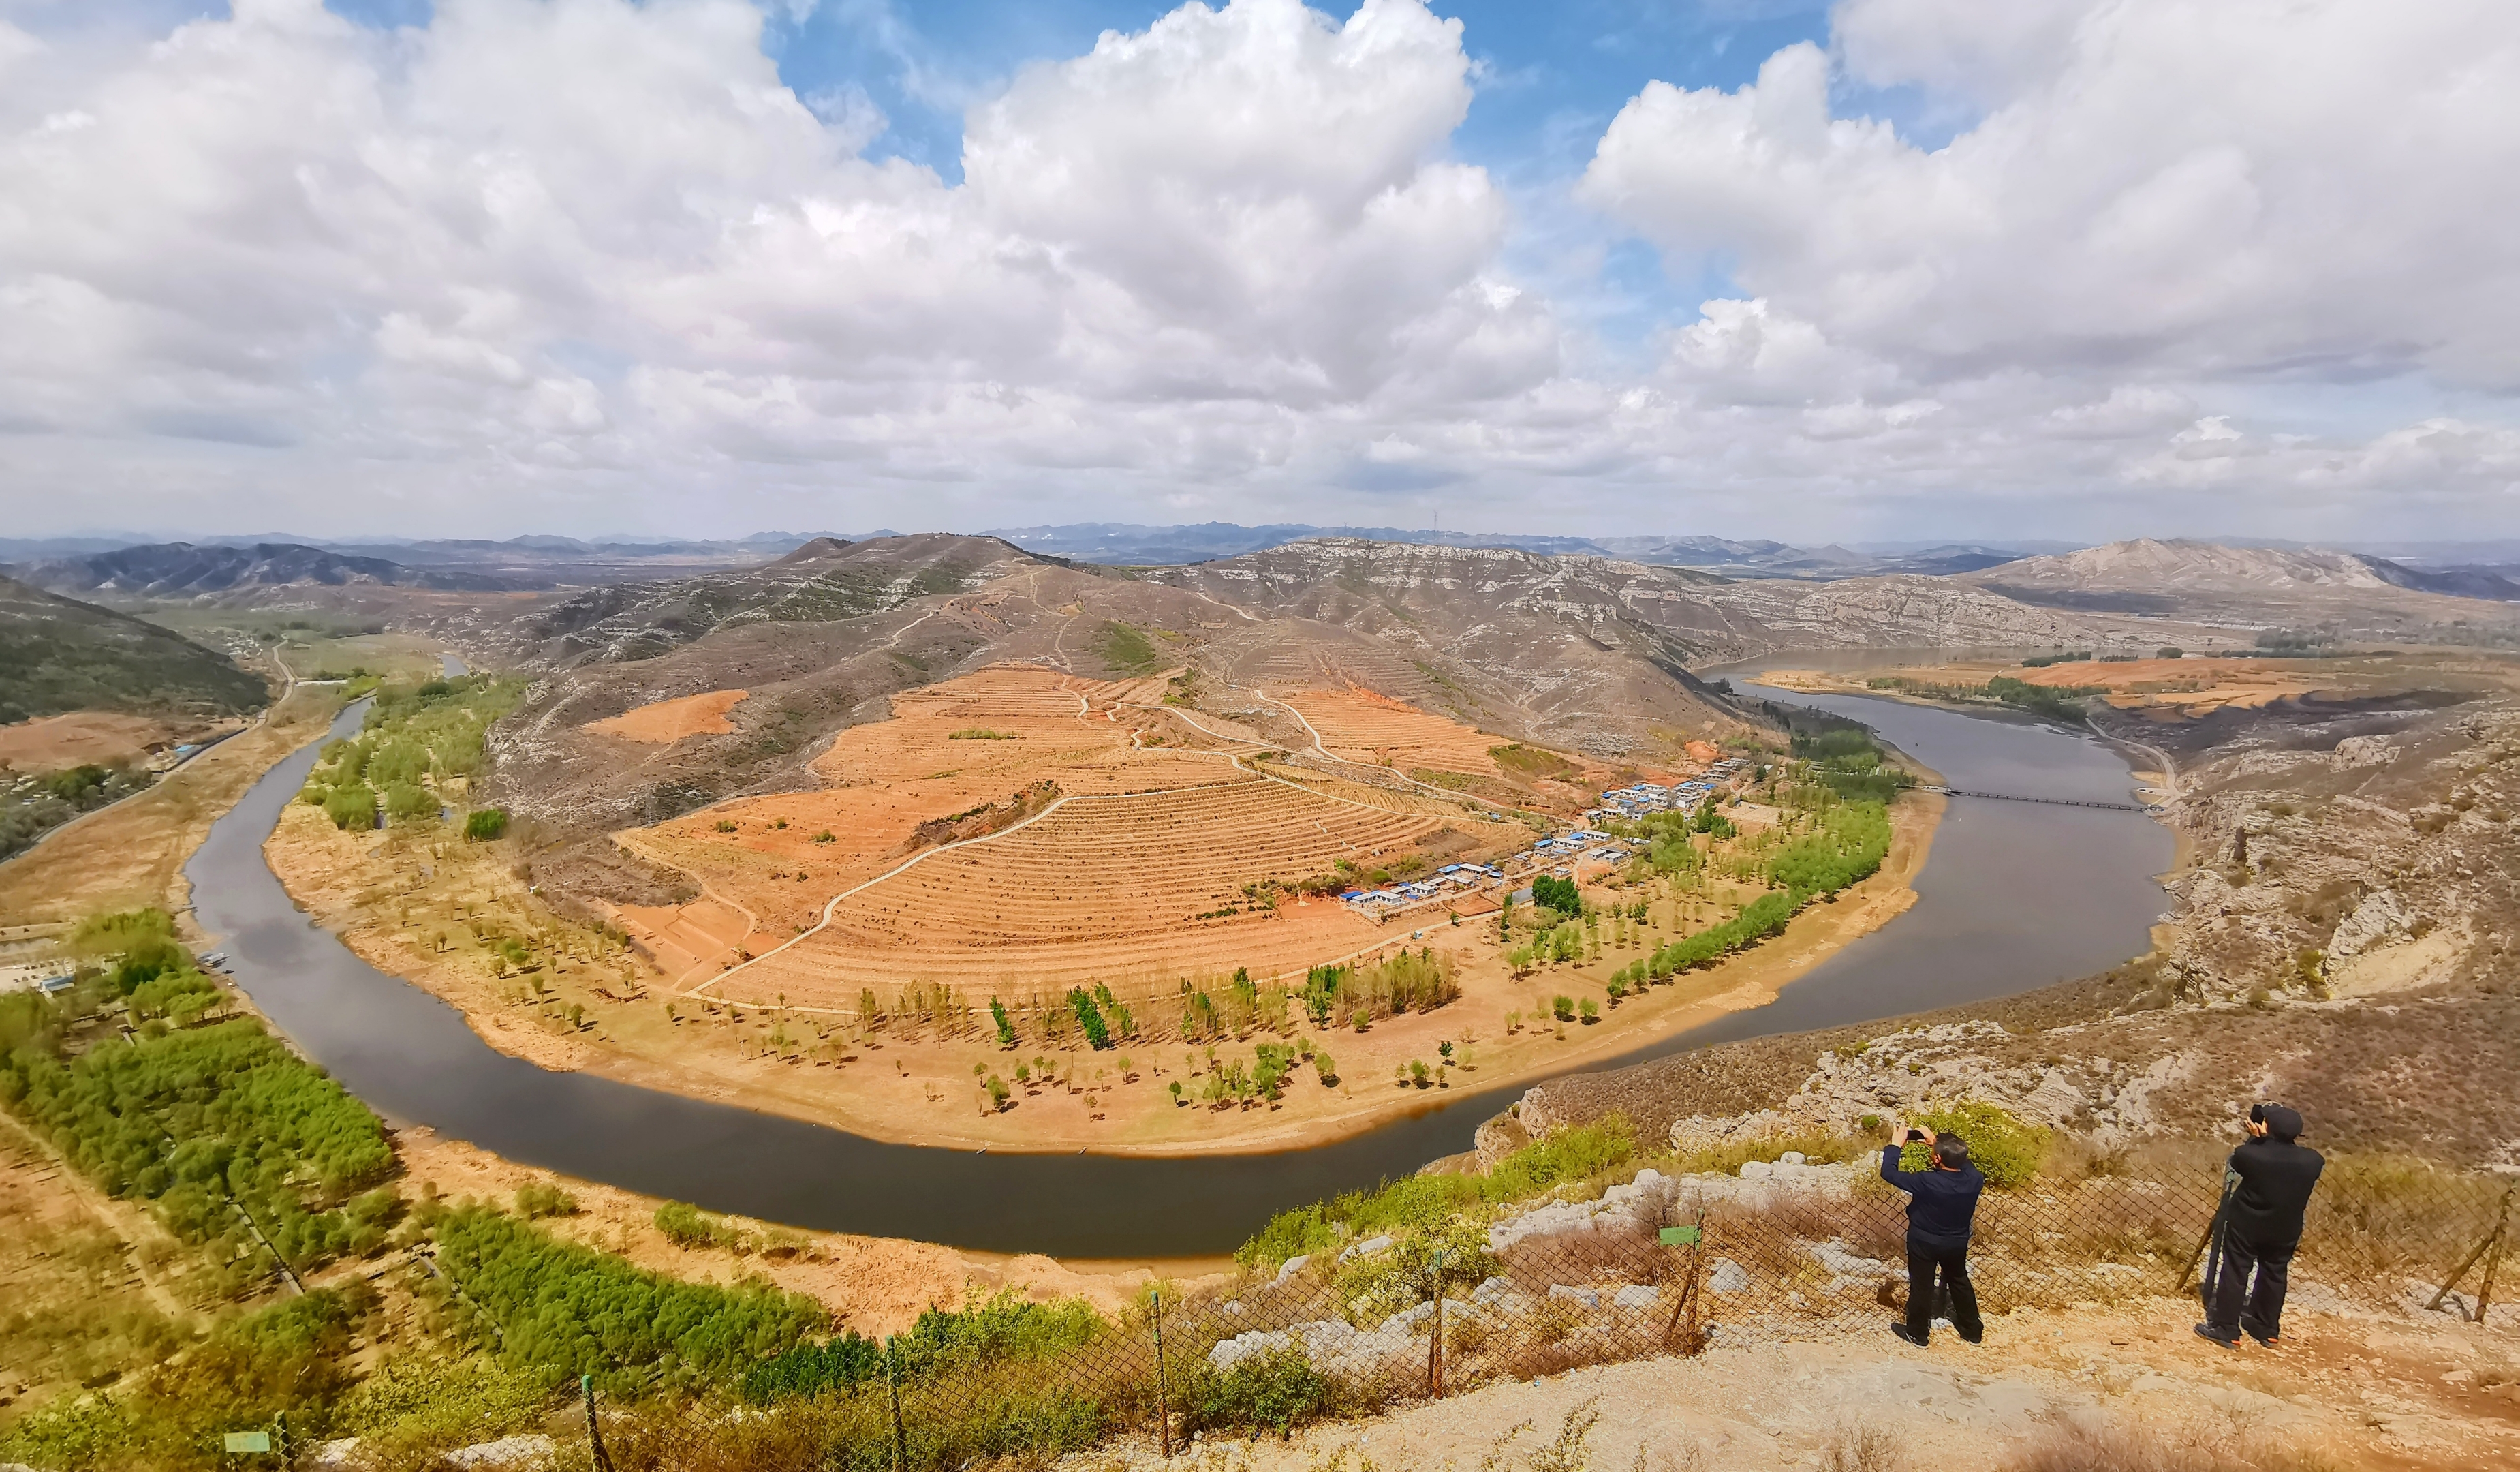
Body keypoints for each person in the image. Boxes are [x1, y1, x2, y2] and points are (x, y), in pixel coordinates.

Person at [2197, 1103, 2325, 1348]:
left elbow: (2239, 1162)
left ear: (2268, 1128)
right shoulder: (2313, 1160)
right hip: (2285, 1228)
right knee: (2275, 1273)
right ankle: (2266, 1328)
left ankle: (2226, 1328)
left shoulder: (2251, 1154)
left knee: (2236, 1271)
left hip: (2247, 1224)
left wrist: (2257, 1140)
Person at [1881, 1119, 1986, 1347]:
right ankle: (1972, 1331)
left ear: (1937, 1159)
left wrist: (1895, 1146)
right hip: (1956, 1241)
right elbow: (1963, 1163)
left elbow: (1889, 1173)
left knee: (1922, 1285)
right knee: (1959, 1281)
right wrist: (1937, 1143)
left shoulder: (1927, 1181)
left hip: (1924, 1240)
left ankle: (1917, 1334)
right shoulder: (1974, 1180)